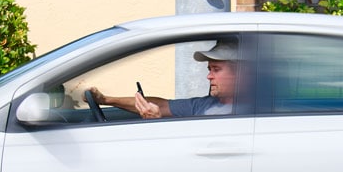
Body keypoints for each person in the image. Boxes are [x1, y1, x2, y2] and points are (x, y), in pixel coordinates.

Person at [87, 40, 238, 118]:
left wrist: (158, 122)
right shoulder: (205, 104)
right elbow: (162, 105)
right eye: (209, 69)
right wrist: (106, 100)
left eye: (216, 70)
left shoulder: (250, 112)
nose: (209, 76)